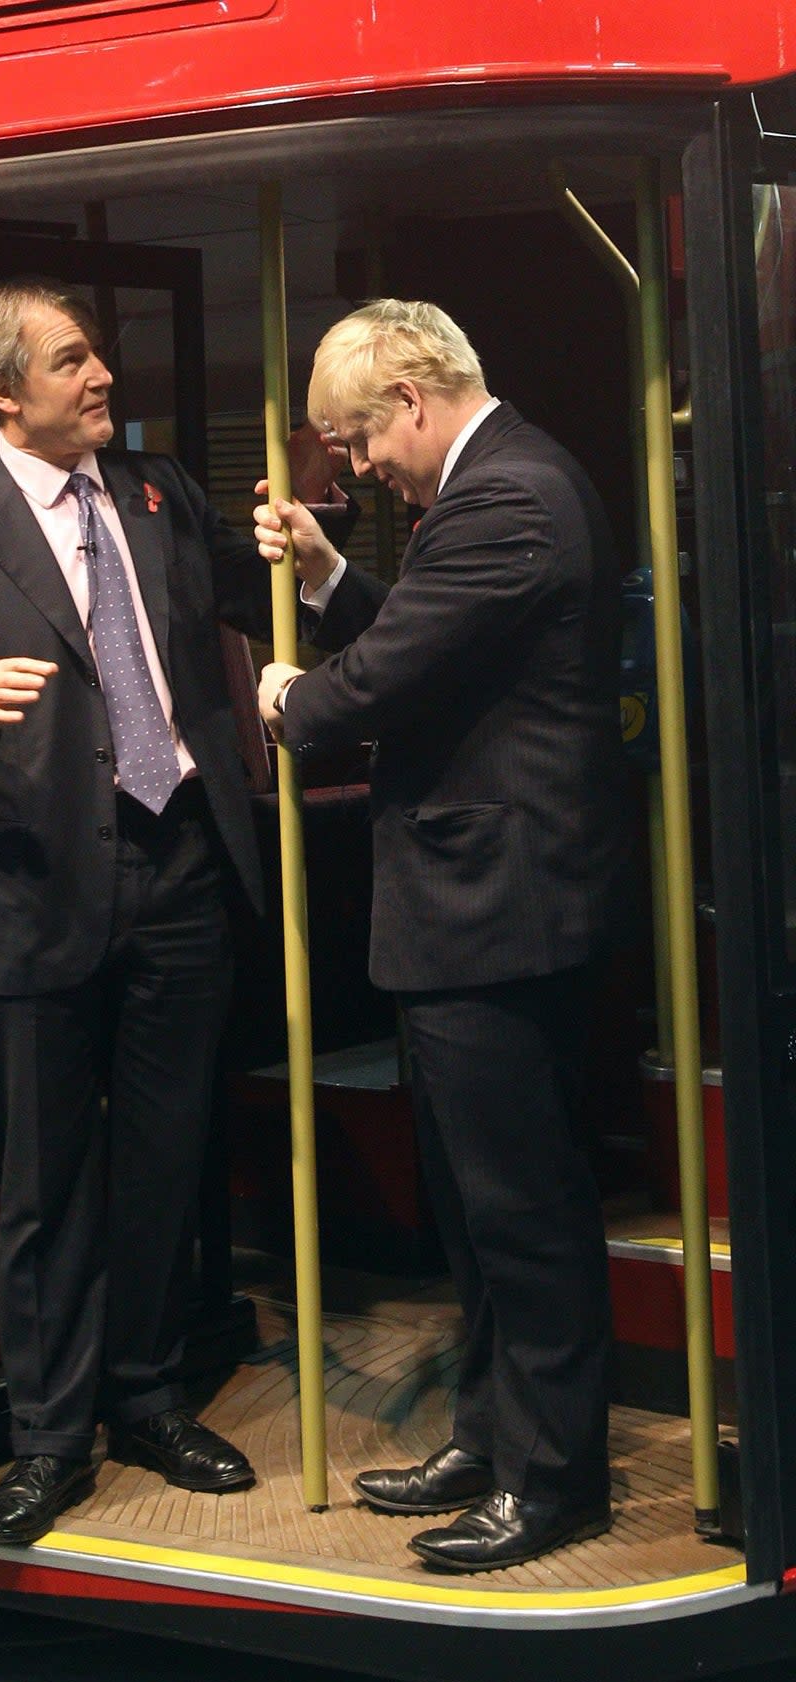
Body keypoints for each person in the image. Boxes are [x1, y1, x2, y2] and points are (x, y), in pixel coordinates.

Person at [0, 279, 345, 1547]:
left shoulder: (160, 493)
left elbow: (238, 617)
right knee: (44, 1184)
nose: (102, 378)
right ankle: (45, 1438)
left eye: (99, 354)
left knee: (162, 1159)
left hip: (179, 868)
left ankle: (144, 1396)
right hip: (34, 890)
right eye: (73, 361)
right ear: (1, 393)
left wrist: (312, 513)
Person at [254, 298, 628, 1574]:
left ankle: (552, 1476)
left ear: (411, 400)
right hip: (477, 909)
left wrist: (293, 697)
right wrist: (327, 577)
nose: (356, 467)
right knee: (475, 1208)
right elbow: (432, 648)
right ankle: (488, 1434)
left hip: (499, 912)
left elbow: (384, 679)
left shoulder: (507, 497)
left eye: (356, 439)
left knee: (519, 1207)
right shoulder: (496, 493)